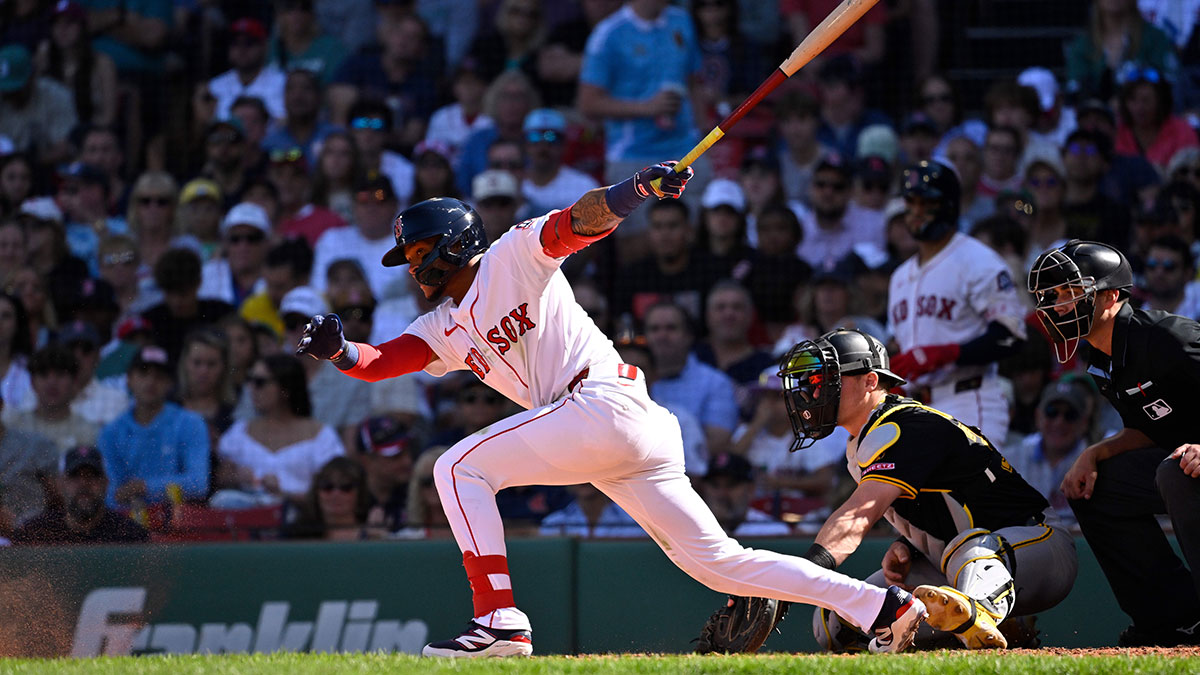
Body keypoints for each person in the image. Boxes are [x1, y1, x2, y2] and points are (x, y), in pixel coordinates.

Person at [295, 161, 925, 657]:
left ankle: (499, 622)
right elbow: (378, 362)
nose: (409, 266)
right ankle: (882, 608)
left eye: (415, 251)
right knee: (720, 565)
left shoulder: (510, 257)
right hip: (604, 431)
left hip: (604, 403)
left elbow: (577, 222)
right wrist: (337, 349)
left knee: (456, 468)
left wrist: (634, 189)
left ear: (450, 245)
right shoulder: (443, 325)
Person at [778, 329, 1076, 650]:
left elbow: (857, 516)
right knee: (836, 620)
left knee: (969, 547)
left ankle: (982, 613)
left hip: (1038, 545)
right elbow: (947, 503)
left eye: (825, 379)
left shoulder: (908, 424)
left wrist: (796, 579)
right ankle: (972, 633)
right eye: (811, 381)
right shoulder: (862, 442)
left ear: (870, 381)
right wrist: (907, 545)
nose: (812, 390)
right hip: (953, 563)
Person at [1029, 239, 1200, 646]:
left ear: (1111, 296)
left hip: (1189, 469)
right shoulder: (1102, 359)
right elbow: (1147, 429)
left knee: (1176, 471)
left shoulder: (1166, 336)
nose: (1059, 305)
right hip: (1183, 466)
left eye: (1071, 294)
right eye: (1054, 296)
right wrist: (1094, 453)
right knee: (1096, 486)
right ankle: (1172, 621)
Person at [886, 160, 1027, 448]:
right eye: (910, 202)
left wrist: (947, 353)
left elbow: (1011, 337)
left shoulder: (978, 260)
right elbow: (904, 347)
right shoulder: (900, 276)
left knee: (967, 493)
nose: (916, 212)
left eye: (926, 203)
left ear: (949, 204)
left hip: (969, 399)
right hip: (917, 406)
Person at [214, 353, 344, 507]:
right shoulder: (239, 432)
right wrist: (236, 477)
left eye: (260, 382)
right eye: (250, 381)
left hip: (303, 524)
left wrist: (284, 495)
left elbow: (335, 491)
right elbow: (219, 480)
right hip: (247, 522)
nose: (252, 388)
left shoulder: (322, 436)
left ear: (285, 388)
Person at [97, 345, 210, 509]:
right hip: (127, 522)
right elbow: (112, 492)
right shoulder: (111, 432)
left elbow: (199, 484)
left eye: (159, 376)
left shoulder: (191, 423)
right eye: (143, 374)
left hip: (181, 525)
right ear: (129, 379)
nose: (150, 382)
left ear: (170, 383)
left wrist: (143, 487)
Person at [11, 444, 148, 544]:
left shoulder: (130, 536)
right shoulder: (35, 534)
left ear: (106, 483)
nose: (84, 483)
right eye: (74, 476)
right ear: (61, 483)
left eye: (92, 476)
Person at [1005, 378, 1095, 523]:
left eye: (1070, 415)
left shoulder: (1095, 466)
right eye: (1052, 412)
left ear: (1084, 423)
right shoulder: (1010, 459)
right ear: (1038, 416)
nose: (1059, 422)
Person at [8, 344, 99, 453]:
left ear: (74, 381)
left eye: (60, 374)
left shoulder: (88, 432)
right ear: (32, 382)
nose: (52, 382)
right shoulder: (13, 426)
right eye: (44, 375)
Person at [208, 18, 286, 121]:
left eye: (249, 43)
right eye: (235, 43)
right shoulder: (215, 86)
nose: (242, 49)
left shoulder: (282, 83)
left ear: (264, 47)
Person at [698, 452, 790, 538]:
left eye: (731, 485)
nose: (722, 493)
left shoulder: (772, 531)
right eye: (715, 485)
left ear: (750, 489)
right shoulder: (690, 528)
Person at [283, 455, 375, 540]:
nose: (336, 494)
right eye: (327, 486)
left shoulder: (374, 537)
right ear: (316, 492)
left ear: (360, 493)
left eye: (345, 487)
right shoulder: (297, 535)